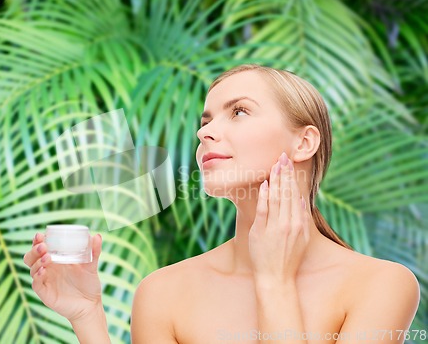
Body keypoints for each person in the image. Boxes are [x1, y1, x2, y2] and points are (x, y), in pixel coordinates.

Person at [23, 64, 420, 344]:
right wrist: (87, 315)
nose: (205, 131)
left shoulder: (381, 285)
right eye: (207, 119)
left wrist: (274, 280)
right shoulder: (163, 292)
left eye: (239, 112)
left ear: (304, 142)